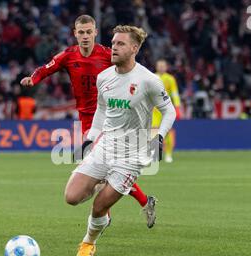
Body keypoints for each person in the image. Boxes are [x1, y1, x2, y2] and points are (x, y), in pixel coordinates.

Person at [20, 15, 156, 223]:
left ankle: (106, 215)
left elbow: (130, 72)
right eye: (81, 32)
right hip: (86, 120)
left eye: (88, 32)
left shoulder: (108, 55)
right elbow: (46, 69)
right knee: (106, 169)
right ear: (75, 33)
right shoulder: (68, 56)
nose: (84, 36)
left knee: (103, 167)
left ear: (95, 33)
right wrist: (33, 79)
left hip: (111, 117)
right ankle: (144, 201)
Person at [65, 25, 176, 256]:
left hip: (132, 155)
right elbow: (101, 112)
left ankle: (88, 242)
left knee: (99, 207)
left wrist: (159, 138)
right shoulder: (104, 77)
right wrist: (90, 139)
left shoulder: (148, 80)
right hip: (105, 147)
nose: (114, 47)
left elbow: (169, 111)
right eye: (113, 43)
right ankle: (100, 182)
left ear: (134, 48)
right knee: (71, 197)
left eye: (121, 44)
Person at [153, 59, 181, 163]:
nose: (161, 67)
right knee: (154, 131)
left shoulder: (170, 79)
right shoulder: (152, 77)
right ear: (156, 66)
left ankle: (168, 154)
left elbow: (175, 94)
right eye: (159, 65)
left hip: (166, 109)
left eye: (162, 65)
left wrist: (177, 108)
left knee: (168, 132)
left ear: (166, 67)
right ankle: (156, 154)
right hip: (154, 110)